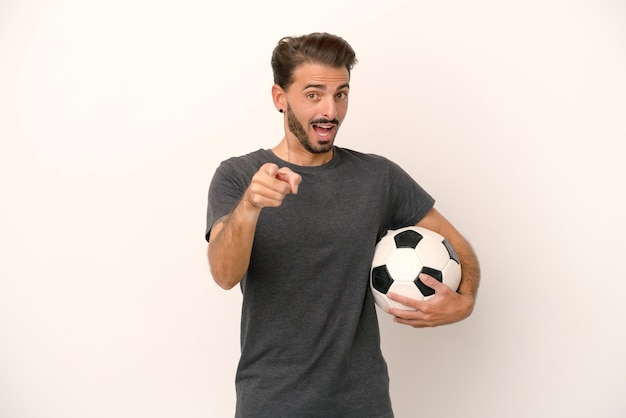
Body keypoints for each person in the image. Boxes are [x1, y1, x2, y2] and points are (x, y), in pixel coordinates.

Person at [205, 32, 480, 418]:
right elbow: (223, 273)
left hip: (362, 403)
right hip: (272, 402)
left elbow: (458, 246)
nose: (330, 111)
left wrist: (464, 302)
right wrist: (250, 206)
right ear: (280, 98)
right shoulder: (239, 177)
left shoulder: (377, 177)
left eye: (341, 94)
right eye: (313, 94)